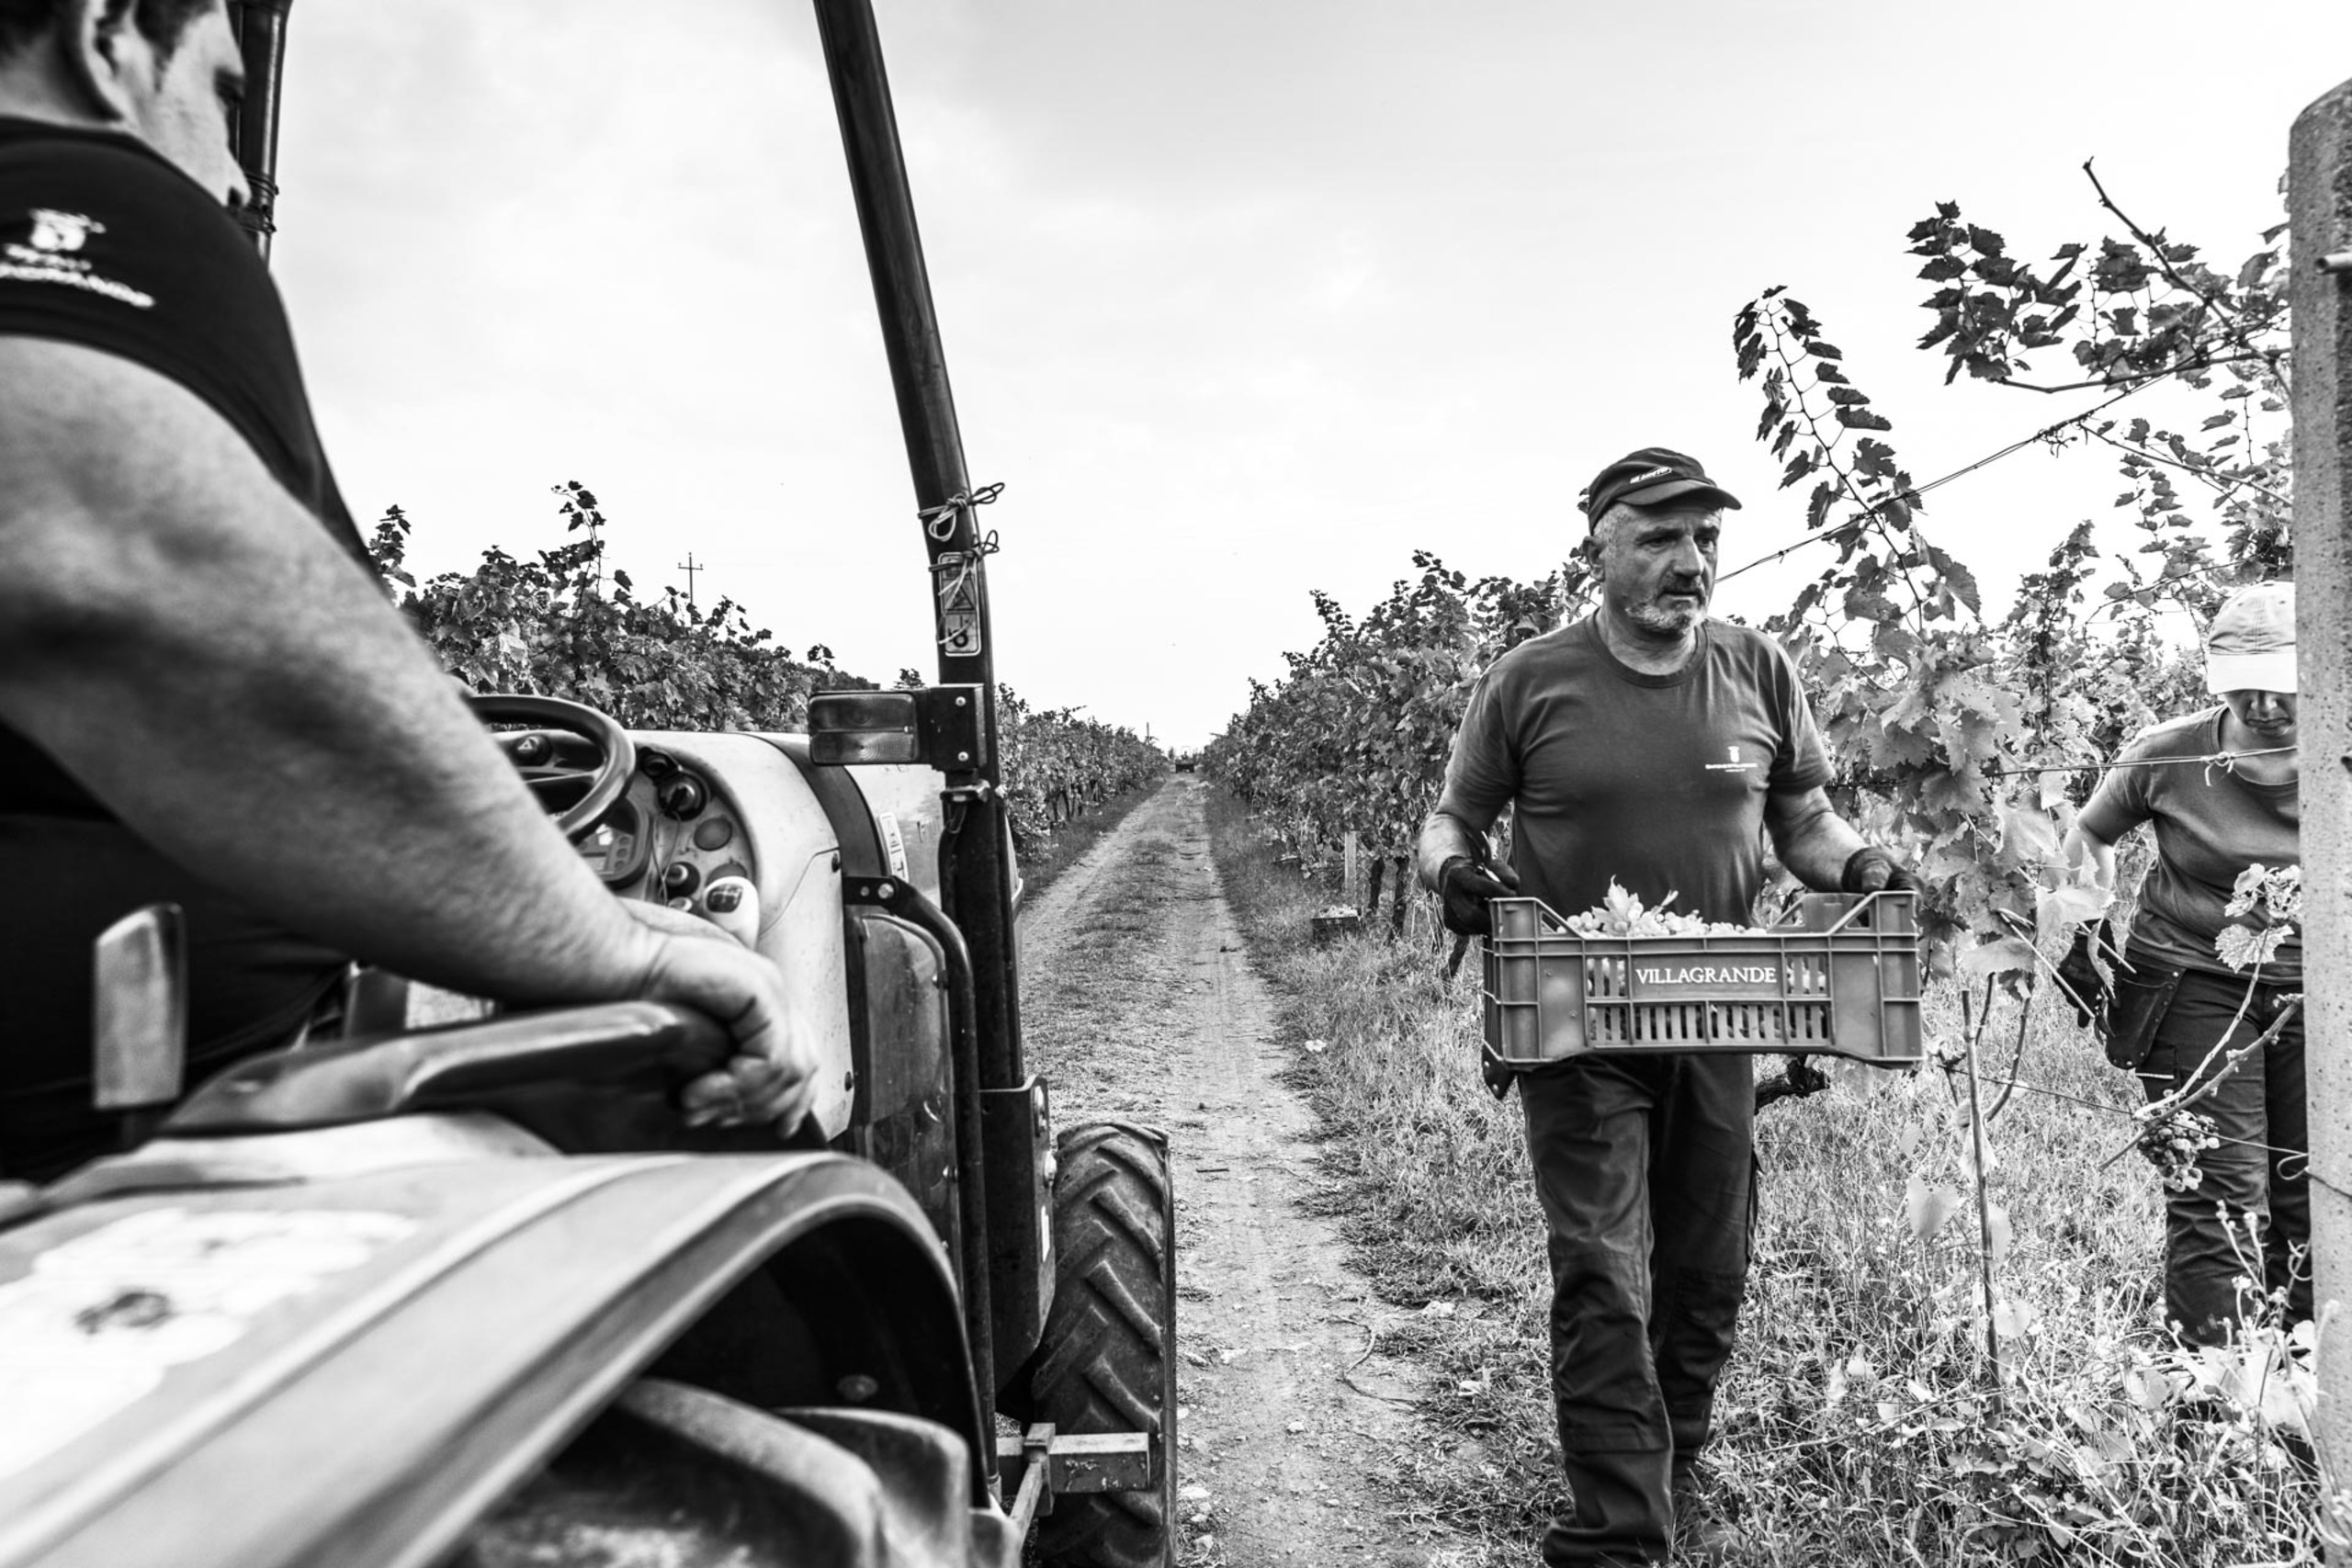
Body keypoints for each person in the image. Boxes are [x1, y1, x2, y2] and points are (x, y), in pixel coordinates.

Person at [0, 0, 812, 1178]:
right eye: (227, 99)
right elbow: (117, 576)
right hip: (105, 1185)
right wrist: (617, 949)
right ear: (110, 33)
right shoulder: (79, 190)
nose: (233, 177)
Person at [1415, 446, 1915, 1567]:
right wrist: (1457, 878)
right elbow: (1452, 823)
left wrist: (1864, 867)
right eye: (1658, 539)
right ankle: (1616, 1534)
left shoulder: (1757, 669)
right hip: (1573, 1011)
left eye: (1703, 541)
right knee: (1601, 1260)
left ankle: (1667, 1463)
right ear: (1596, 552)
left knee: (1706, 1266)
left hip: (1720, 1013)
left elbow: (1804, 822)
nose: (1689, 562)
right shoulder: (1529, 679)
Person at [2061, 581, 2304, 1348]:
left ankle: (2309, 1377)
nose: (2263, 703)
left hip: (2322, 989)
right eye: (2243, 683)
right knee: (2218, 1188)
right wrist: (2086, 919)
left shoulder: (2341, 748)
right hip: (2191, 976)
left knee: (2318, 1189)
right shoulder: (2171, 752)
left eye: (2283, 683)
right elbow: (2089, 836)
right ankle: (2217, 1395)